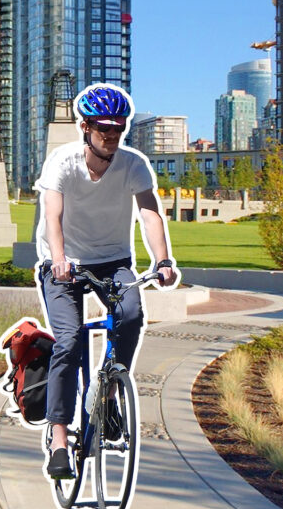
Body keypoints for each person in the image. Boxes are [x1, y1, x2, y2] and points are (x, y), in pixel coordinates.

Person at [34, 83, 179, 479]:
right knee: (67, 342)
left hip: (112, 261)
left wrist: (162, 260)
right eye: (104, 128)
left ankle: (110, 392)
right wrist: (59, 259)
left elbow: (150, 214)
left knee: (131, 315)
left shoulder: (132, 164)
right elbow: (53, 216)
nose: (112, 135)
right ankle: (60, 440)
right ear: (85, 127)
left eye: (119, 127)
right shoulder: (61, 162)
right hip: (64, 264)